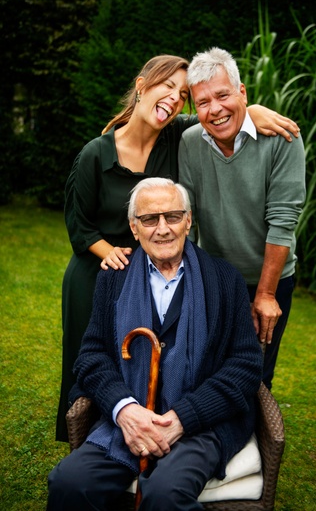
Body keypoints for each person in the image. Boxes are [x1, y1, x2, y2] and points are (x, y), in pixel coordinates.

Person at [56, 52, 300, 441]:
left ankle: (192, 435)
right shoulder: (97, 152)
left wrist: (251, 111)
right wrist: (109, 252)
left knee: (184, 359)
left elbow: (218, 113)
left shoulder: (175, 137)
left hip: (167, 268)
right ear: (141, 86)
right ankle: (93, 435)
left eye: (182, 93)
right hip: (103, 269)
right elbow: (77, 222)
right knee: (95, 354)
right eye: (167, 86)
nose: (176, 98)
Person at [47, 178, 263, 511]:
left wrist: (183, 418)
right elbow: (91, 355)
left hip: (199, 424)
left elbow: (245, 365)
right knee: (70, 483)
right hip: (128, 421)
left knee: (164, 495)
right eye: (149, 219)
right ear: (134, 228)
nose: (162, 228)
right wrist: (125, 410)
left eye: (173, 216)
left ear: (188, 221)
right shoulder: (114, 277)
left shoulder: (224, 279)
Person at [178, 47, 306, 390]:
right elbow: (187, 220)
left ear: (243, 92)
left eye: (223, 95)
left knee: (256, 376)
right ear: (193, 107)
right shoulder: (189, 142)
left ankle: (252, 441)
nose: (215, 109)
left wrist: (265, 294)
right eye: (203, 102)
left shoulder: (283, 139)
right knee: (206, 371)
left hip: (270, 279)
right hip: (215, 278)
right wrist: (187, 280)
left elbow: (283, 220)